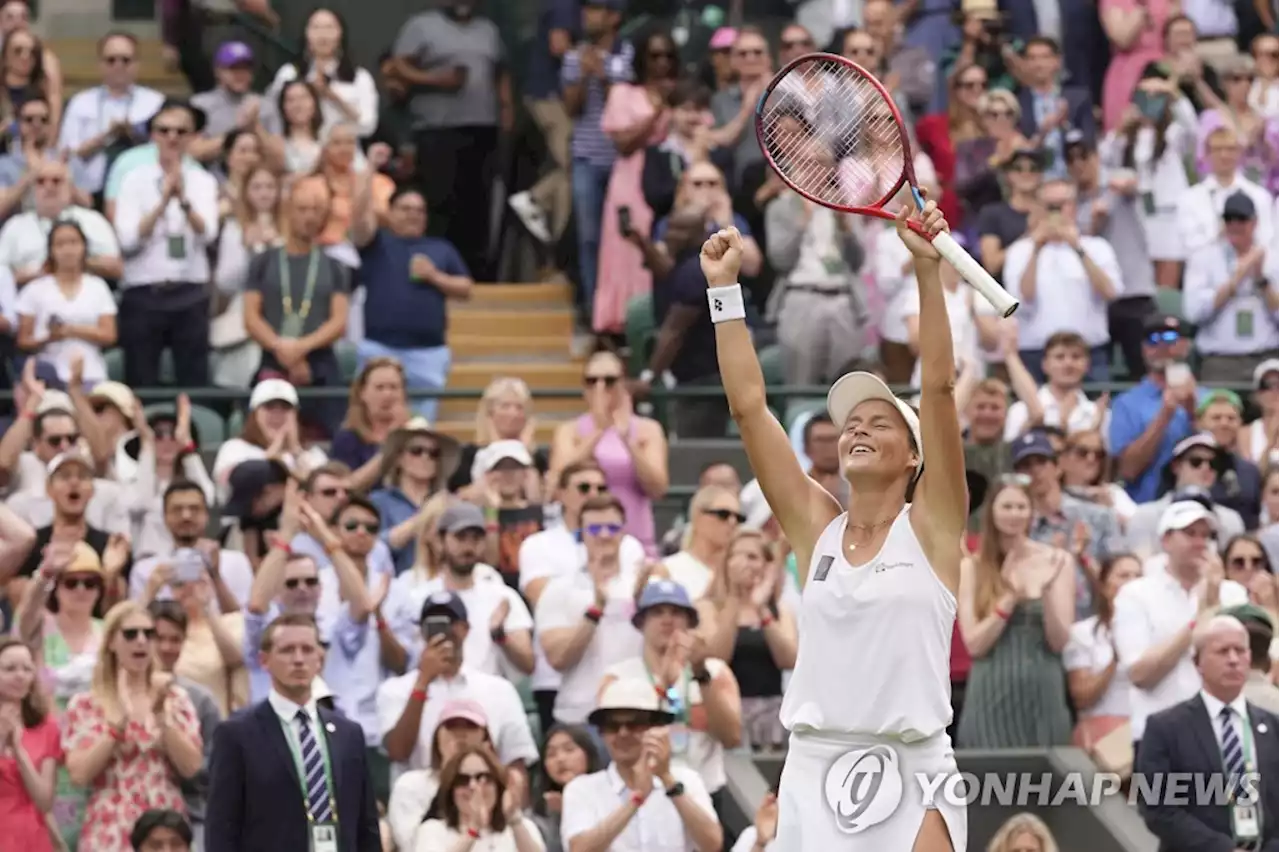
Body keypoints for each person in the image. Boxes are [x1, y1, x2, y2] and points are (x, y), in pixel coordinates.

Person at [701, 202, 968, 849]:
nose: (858, 427)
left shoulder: (934, 523)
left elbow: (936, 389)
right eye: (852, 421)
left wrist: (927, 271)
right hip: (815, 768)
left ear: (914, 456)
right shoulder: (813, 526)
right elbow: (749, 408)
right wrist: (725, 294)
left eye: (880, 421)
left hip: (914, 764)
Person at [204, 613, 381, 852]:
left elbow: (366, 824)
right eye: (287, 650)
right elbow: (221, 827)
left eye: (307, 649)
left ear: (320, 659)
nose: (299, 659)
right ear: (264, 660)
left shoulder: (349, 734)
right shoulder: (237, 734)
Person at [1136, 616, 1280, 849]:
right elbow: (1158, 808)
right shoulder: (1166, 728)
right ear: (1198, 663)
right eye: (1222, 651)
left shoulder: (1273, 727)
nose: (1233, 659)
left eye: (1240, 650)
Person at [414, 745, 544, 852]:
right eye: (463, 780)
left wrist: (514, 820)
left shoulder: (522, 826)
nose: (473, 786)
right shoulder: (433, 830)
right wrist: (473, 830)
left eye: (484, 777)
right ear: (451, 790)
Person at [0, 636, 60, 852]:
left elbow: (44, 801)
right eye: (9, 669)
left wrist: (18, 750)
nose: (20, 675)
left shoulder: (46, 726)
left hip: (31, 838)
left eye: (27, 669)